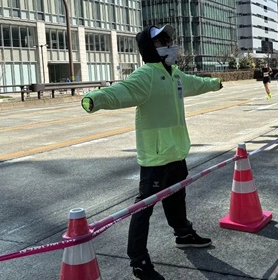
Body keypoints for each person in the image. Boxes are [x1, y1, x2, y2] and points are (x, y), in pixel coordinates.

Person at [80, 24, 223, 280]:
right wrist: (95, 99)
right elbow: (121, 91)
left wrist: (214, 83)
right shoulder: (146, 75)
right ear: (149, 48)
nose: (168, 44)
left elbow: (196, 83)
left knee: (177, 197)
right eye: (161, 41)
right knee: (143, 208)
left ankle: (183, 234)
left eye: (168, 39)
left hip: (177, 150)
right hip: (156, 156)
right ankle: (139, 261)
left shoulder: (175, 74)